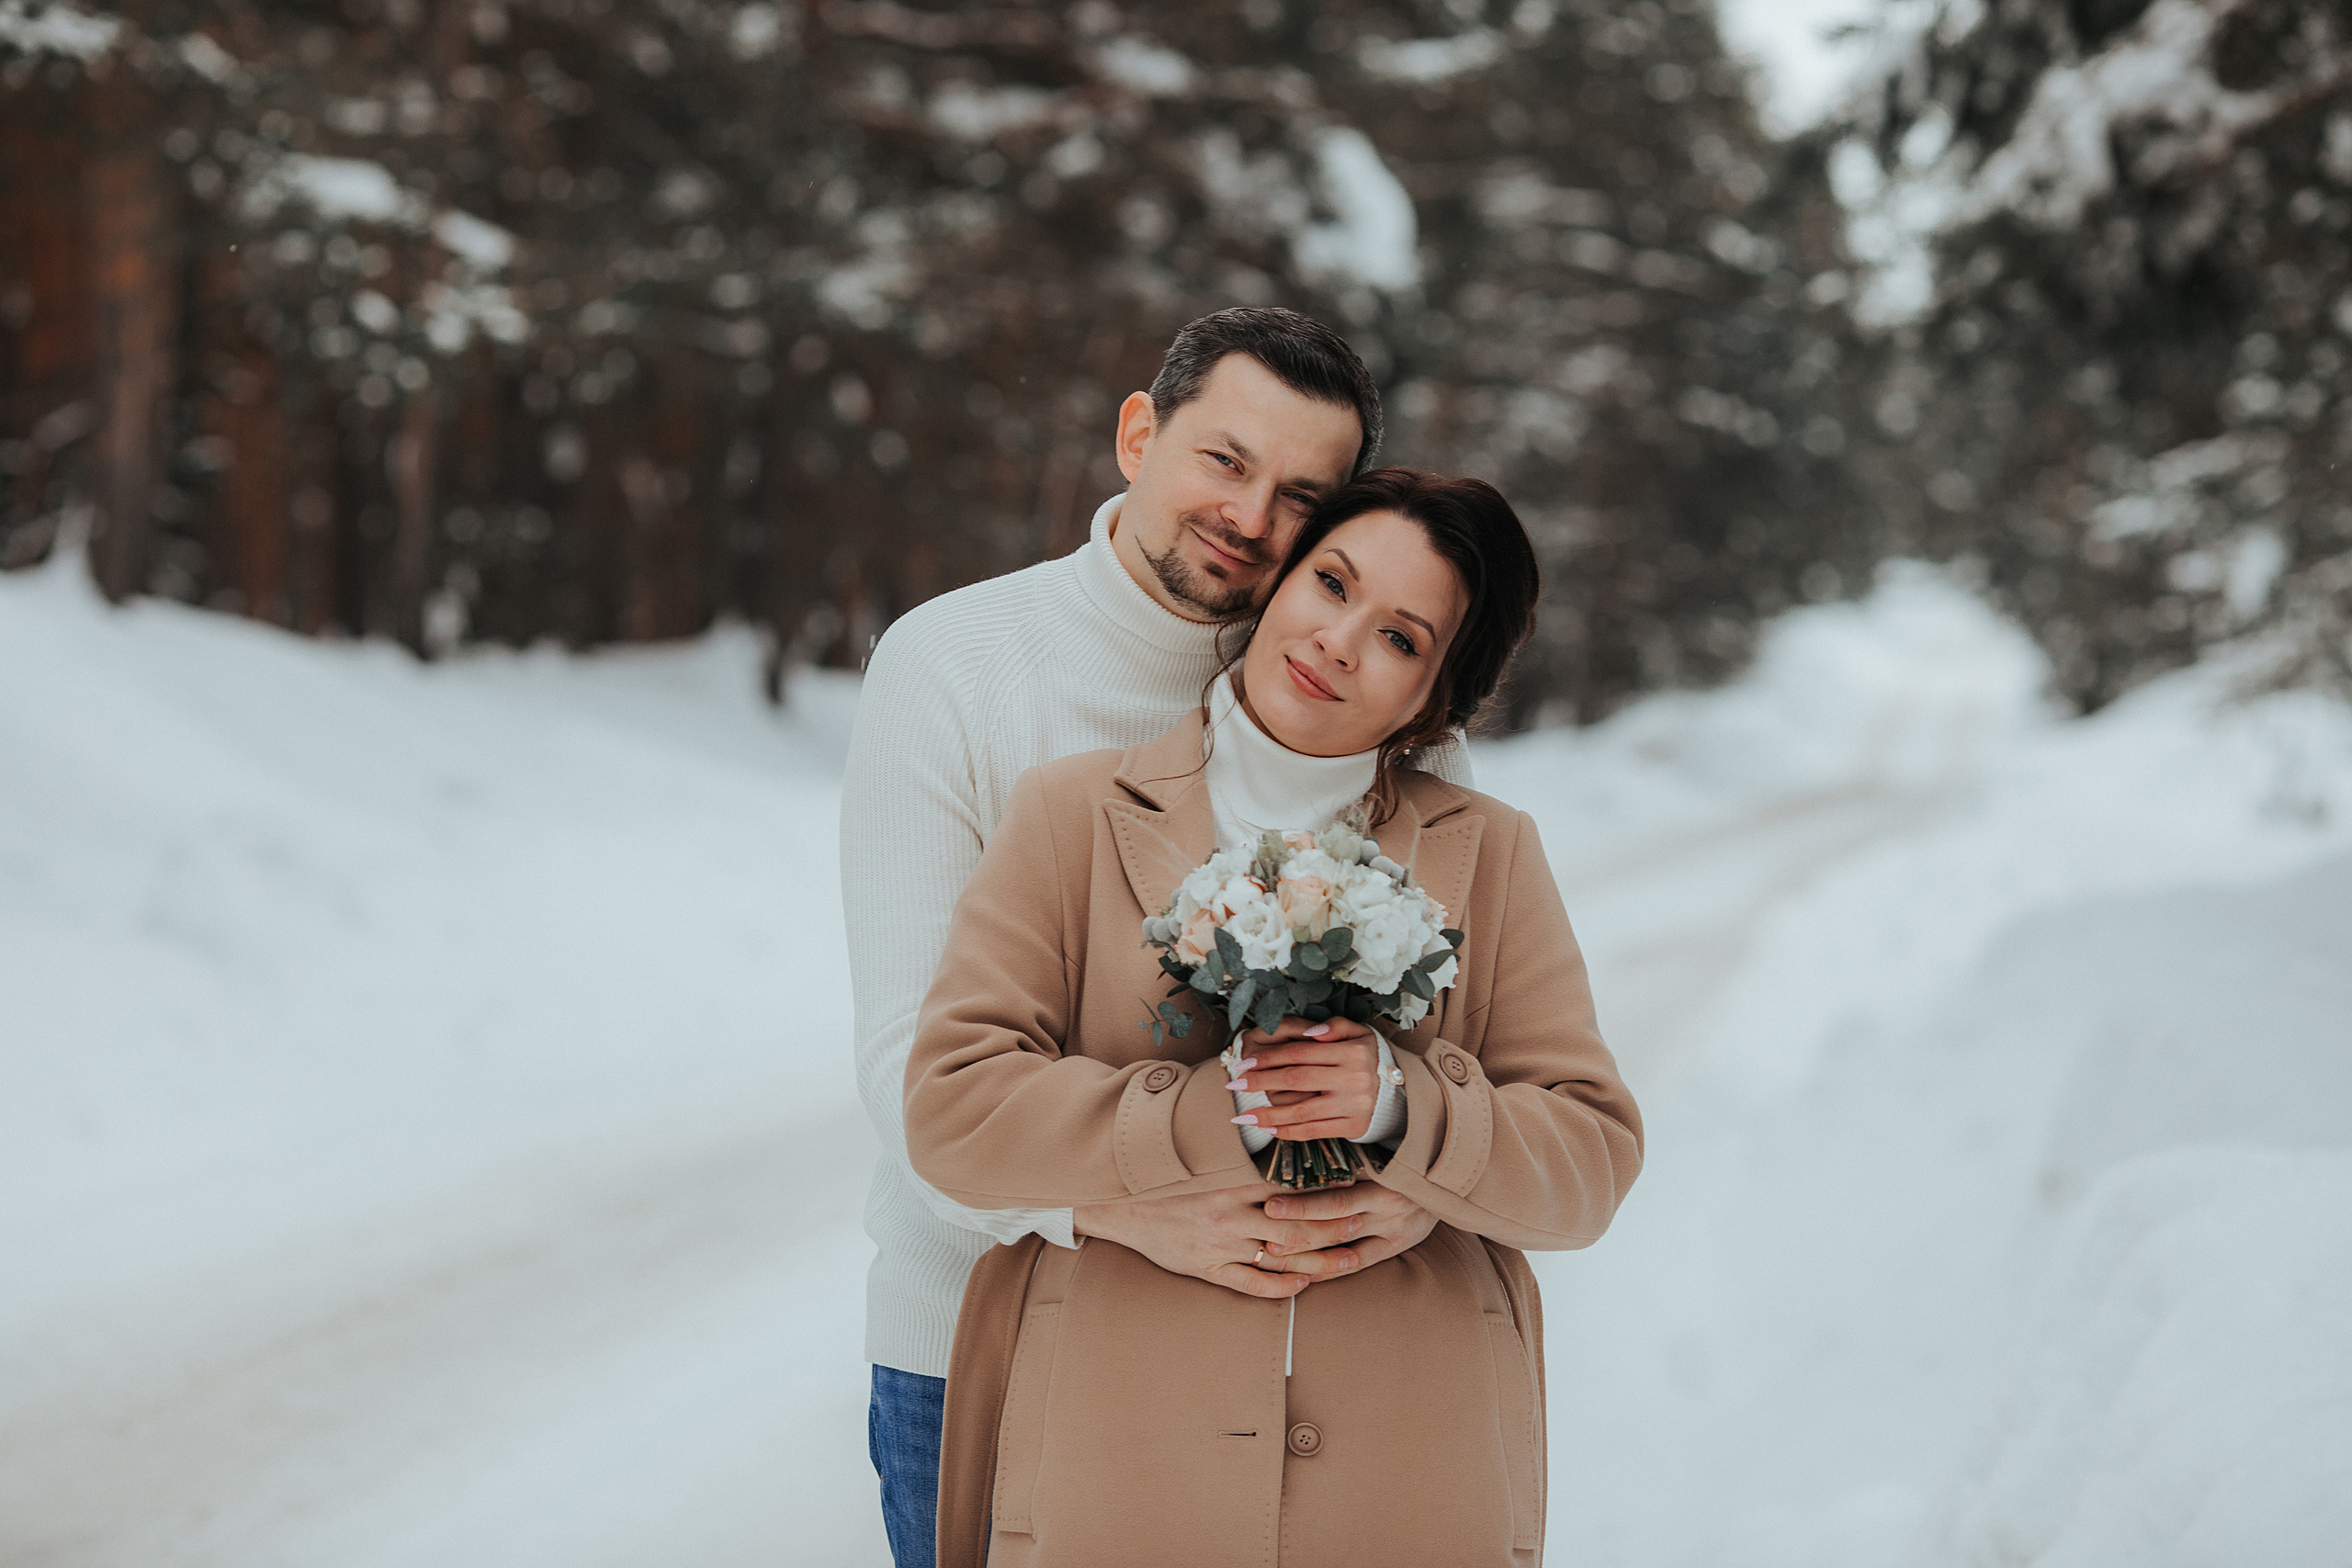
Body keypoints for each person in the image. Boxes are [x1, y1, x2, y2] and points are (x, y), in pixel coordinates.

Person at [906, 469, 1644, 1567]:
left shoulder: (1488, 852)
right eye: (1330, 583)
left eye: (1399, 637)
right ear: (1277, 582)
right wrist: (1209, 1121)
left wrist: (1406, 1114)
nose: (1339, 641)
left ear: (1433, 696)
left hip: (1410, 1474)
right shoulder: (1068, 813)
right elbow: (953, 1110)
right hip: (1121, 1456)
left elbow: (1589, 1160)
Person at [841, 309, 1474, 1568]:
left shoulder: (1360, 700)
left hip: (1300, 1371)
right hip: (995, 1343)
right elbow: (912, 1076)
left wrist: (1428, 1180)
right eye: (1224, 460)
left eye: (1300, 494)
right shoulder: (955, 667)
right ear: (1140, 433)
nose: (1249, 514)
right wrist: (1131, 1207)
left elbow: (1464, 1055)